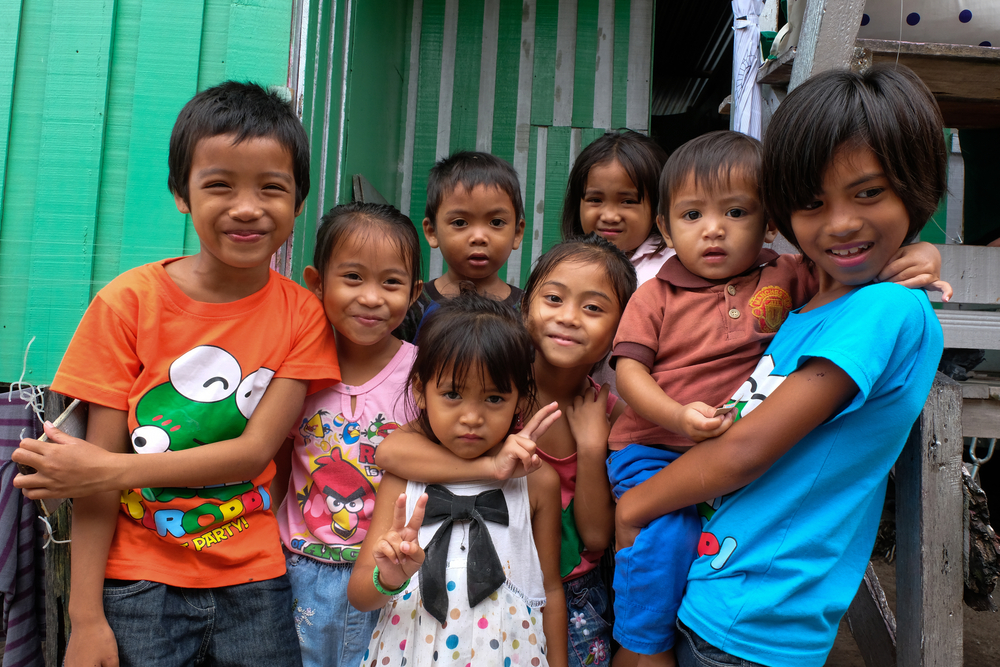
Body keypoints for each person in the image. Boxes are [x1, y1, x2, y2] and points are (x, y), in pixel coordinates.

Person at [614, 65, 947, 667]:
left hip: (756, 618)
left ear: (916, 185)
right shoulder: (811, 302)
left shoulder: (885, 307)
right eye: (812, 203)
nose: (841, 223)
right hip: (718, 588)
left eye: (868, 193)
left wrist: (636, 506)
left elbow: (745, 451)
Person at [12, 82, 339, 666]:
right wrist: (85, 620)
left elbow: (251, 453)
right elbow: (95, 489)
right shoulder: (128, 304)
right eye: (220, 185)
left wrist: (105, 469)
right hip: (138, 585)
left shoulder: (303, 315)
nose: (247, 207)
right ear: (181, 193)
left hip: (255, 581)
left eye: (271, 187)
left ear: (299, 201)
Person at [378, 234, 637, 667]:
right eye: (554, 298)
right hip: (470, 584)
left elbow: (595, 538)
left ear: (622, 329)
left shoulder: (610, 415)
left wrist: (592, 447)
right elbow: (390, 453)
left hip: (571, 595)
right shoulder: (488, 390)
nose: (569, 317)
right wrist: (491, 465)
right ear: (525, 306)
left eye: (593, 308)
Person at [347, 292, 568, 667]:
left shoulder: (536, 481)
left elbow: (549, 589)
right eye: (452, 394)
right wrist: (389, 578)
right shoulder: (404, 479)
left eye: (494, 398)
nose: (471, 417)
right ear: (420, 390)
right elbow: (359, 594)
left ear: (521, 398)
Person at [272, 202, 422, 667]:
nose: (372, 298)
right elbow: (278, 463)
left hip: (388, 573)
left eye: (391, 282)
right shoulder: (296, 371)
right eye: (353, 277)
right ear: (317, 283)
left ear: (415, 292)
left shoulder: (423, 377)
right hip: (298, 568)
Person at [396, 151, 527, 341]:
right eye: (460, 222)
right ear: (432, 232)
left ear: (517, 233)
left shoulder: (529, 310)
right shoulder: (413, 304)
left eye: (496, 222)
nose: (479, 237)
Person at [561, 129, 673, 286]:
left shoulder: (671, 269)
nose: (609, 216)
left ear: (657, 207)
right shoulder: (563, 266)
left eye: (628, 201)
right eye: (595, 200)